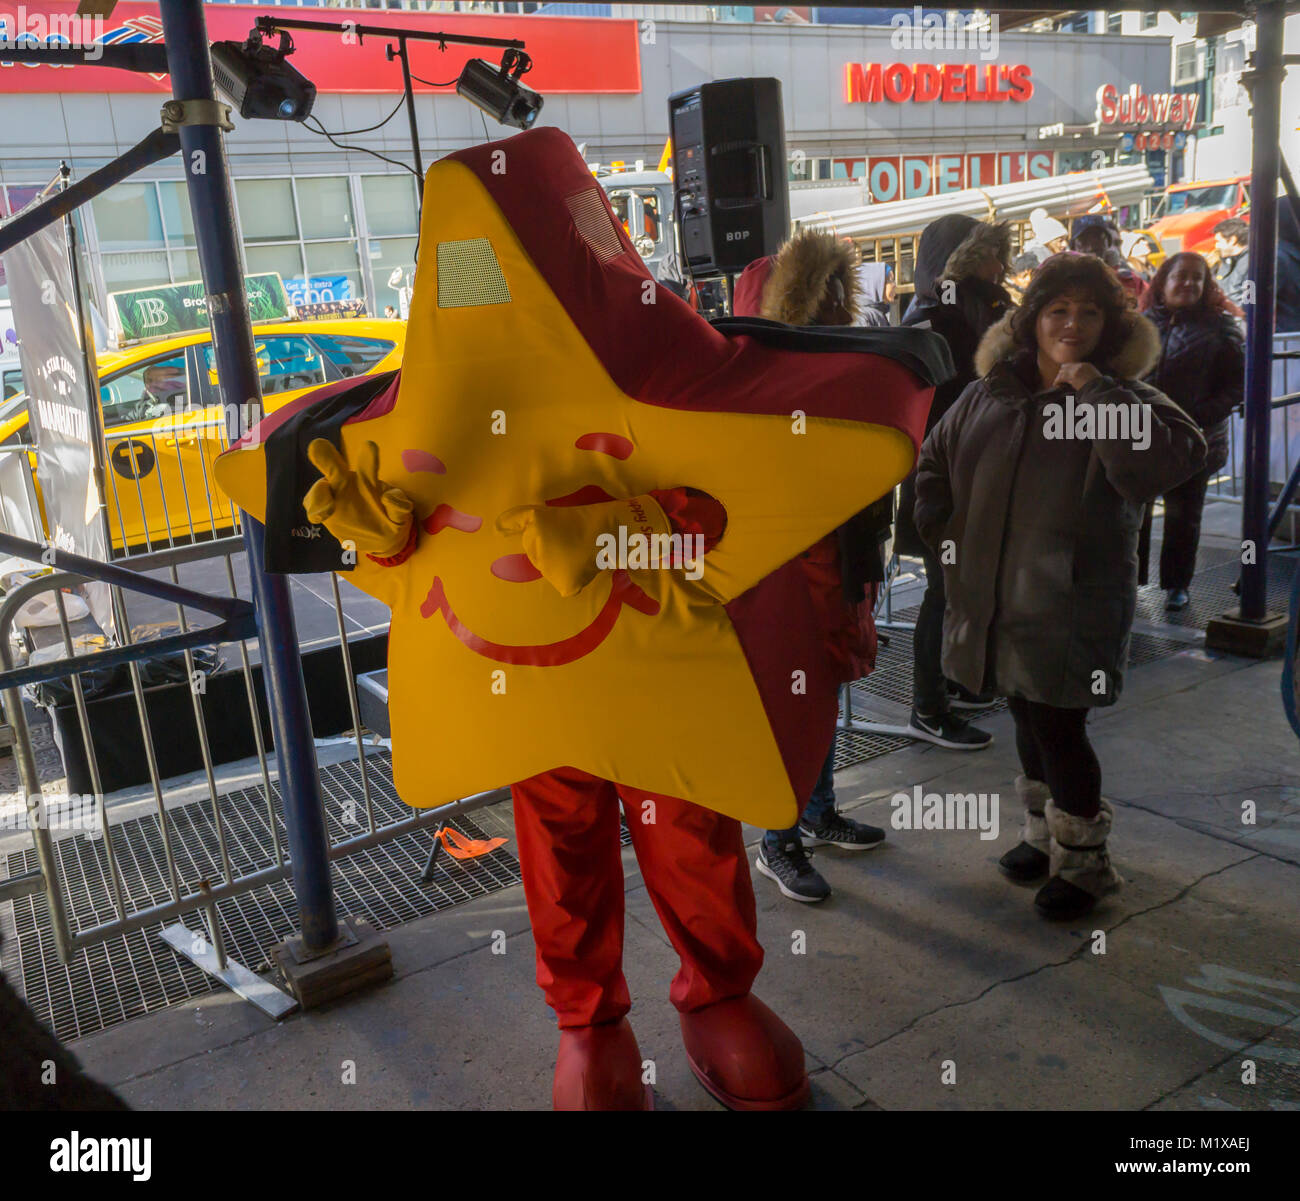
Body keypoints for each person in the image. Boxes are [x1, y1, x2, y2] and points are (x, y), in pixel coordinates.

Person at [915, 254, 1206, 919]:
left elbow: (1166, 462)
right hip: (996, 602)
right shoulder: (991, 391)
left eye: (1089, 311)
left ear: (1109, 324)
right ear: (1032, 320)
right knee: (1023, 710)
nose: (1072, 323)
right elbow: (932, 459)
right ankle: (1044, 834)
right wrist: (942, 529)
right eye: (1057, 310)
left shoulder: (1124, 397)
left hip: (1069, 606)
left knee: (1059, 724)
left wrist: (1095, 392)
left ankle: (1085, 864)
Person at [736, 231, 891, 903]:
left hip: (841, 554)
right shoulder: (755, 383)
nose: (832, 301)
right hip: (786, 572)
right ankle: (777, 838)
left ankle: (817, 812)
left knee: (825, 695)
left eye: (838, 286)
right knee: (789, 707)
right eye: (817, 287)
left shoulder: (842, 365)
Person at [899, 214, 1013, 749]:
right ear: (962, 258)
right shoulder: (939, 316)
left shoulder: (973, 307)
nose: (1001, 265)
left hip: (966, 473)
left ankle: (954, 684)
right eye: (989, 254)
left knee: (959, 588)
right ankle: (928, 707)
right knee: (944, 591)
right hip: (941, 481)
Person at [1138, 252, 1246, 611]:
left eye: (1196, 277)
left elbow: (1237, 385)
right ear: (1163, 281)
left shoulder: (1221, 327)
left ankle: (1176, 585)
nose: (1188, 283)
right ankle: (1131, 579)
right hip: (1142, 436)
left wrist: (1200, 415)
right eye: (1180, 276)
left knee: (1183, 515)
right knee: (1133, 511)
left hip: (1196, 439)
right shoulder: (1140, 325)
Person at [1070, 214, 1144, 304]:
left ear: (1108, 243)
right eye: (1083, 241)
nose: (1091, 247)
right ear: (1073, 248)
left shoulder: (1130, 281)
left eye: (1097, 238)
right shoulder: (1066, 285)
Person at [1212, 217, 1250, 308]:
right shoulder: (1224, 261)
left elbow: (1250, 303)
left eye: (1218, 241)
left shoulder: (1252, 265)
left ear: (1233, 240)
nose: (1216, 246)